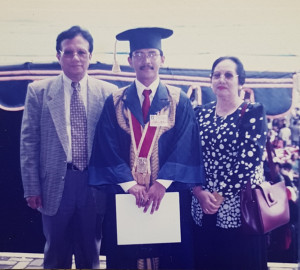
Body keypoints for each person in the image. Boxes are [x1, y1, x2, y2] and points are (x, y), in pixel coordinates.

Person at [89, 27, 205, 270]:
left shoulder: (178, 100)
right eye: (139, 55)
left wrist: (161, 183)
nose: (146, 60)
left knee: (171, 257)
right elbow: (106, 144)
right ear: (130, 60)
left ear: (162, 58)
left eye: (152, 53)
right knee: (127, 257)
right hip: (127, 196)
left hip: (168, 196)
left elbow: (187, 144)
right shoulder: (116, 101)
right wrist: (129, 185)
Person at [20, 25, 117, 269]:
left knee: (90, 253)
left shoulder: (109, 93)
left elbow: (115, 144)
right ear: (58, 56)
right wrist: (31, 187)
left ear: (90, 56)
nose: (75, 58)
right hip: (54, 184)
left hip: (92, 185)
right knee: (55, 253)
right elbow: (29, 142)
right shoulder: (39, 91)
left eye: (81, 52)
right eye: (68, 52)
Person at [191, 56, 268, 270]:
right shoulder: (200, 113)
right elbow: (190, 155)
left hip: (241, 211)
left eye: (228, 75)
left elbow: (248, 161)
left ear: (240, 81)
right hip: (203, 207)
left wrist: (217, 197)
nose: (221, 79)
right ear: (211, 81)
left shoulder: (253, 112)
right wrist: (198, 192)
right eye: (216, 75)